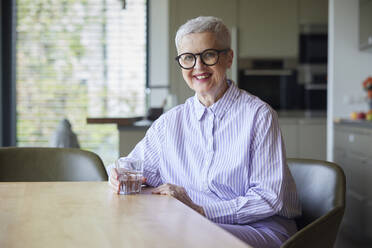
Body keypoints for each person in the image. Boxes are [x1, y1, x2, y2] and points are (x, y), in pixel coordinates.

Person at [109, 16, 301, 248]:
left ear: (228, 58)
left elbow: (267, 199)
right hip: (190, 224)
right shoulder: (169, 123)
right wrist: (120, 175)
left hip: (259, 228)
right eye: (188, 58)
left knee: (178, 235)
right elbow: (135, 168)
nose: (198, 67)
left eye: (208, 55)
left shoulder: (259, 116)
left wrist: (200, 210)